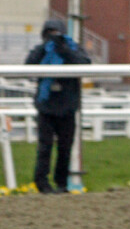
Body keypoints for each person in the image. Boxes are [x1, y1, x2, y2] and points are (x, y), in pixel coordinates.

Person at [25, 20, 90, 193]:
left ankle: (62, 183)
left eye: (56, 33)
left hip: (67, 107)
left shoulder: (73, 48)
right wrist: (45, 47)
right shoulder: (40, 49)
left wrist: (64, 50)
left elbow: (85, 65)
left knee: (65, 146)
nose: (53, 37)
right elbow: (28, 66)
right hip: (46, 107)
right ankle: (41, 182)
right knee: (44, 146)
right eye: (50, 33)